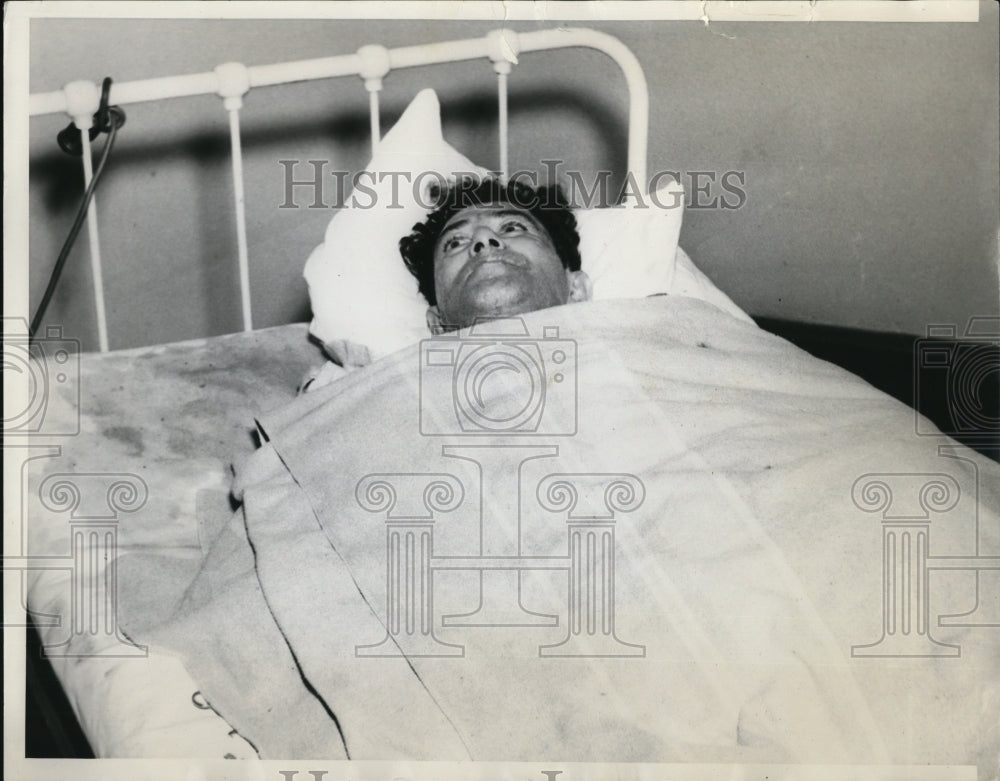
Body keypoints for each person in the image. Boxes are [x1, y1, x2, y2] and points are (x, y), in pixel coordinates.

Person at [400, 177, 592, 332]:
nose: (483, 238)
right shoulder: (381, 378)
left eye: (512, 228)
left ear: (577, 289)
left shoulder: (621, 349)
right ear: (437, 323)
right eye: (455, 243)